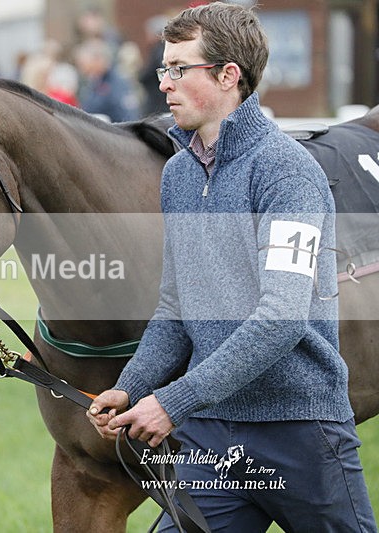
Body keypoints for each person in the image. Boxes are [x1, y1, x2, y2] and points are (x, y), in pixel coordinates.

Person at [86, 3, 377, 532]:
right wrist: (130, 387)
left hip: (301, 435)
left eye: (180, 69)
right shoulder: (178, 175)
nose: (166, 84)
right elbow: (176, 307)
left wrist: (172, 400)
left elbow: (281, 318)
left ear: (228, 76)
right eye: (164, 69)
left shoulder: (288, 173)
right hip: (213, 434)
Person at [74, 38, 140, 122]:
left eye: (83, 64)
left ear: (97, 60)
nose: (82, 68)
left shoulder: (118, 83)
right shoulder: (94, 82)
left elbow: (129, 117)